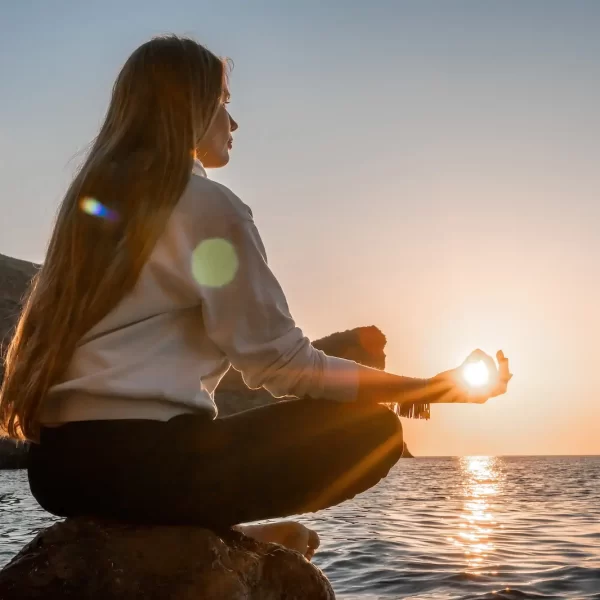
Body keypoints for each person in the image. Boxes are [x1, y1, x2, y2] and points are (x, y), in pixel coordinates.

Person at [0, 35, 512, 561]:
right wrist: (434, 387)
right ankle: (219, 533)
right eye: (223, 102)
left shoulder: (89, 210)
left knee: (196, 445)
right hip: (145, 465)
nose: (233, 122)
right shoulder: (206, 206)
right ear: (188, 108)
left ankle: (214, 532)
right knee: (372, 431)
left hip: (58, 472)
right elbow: (281, 363)